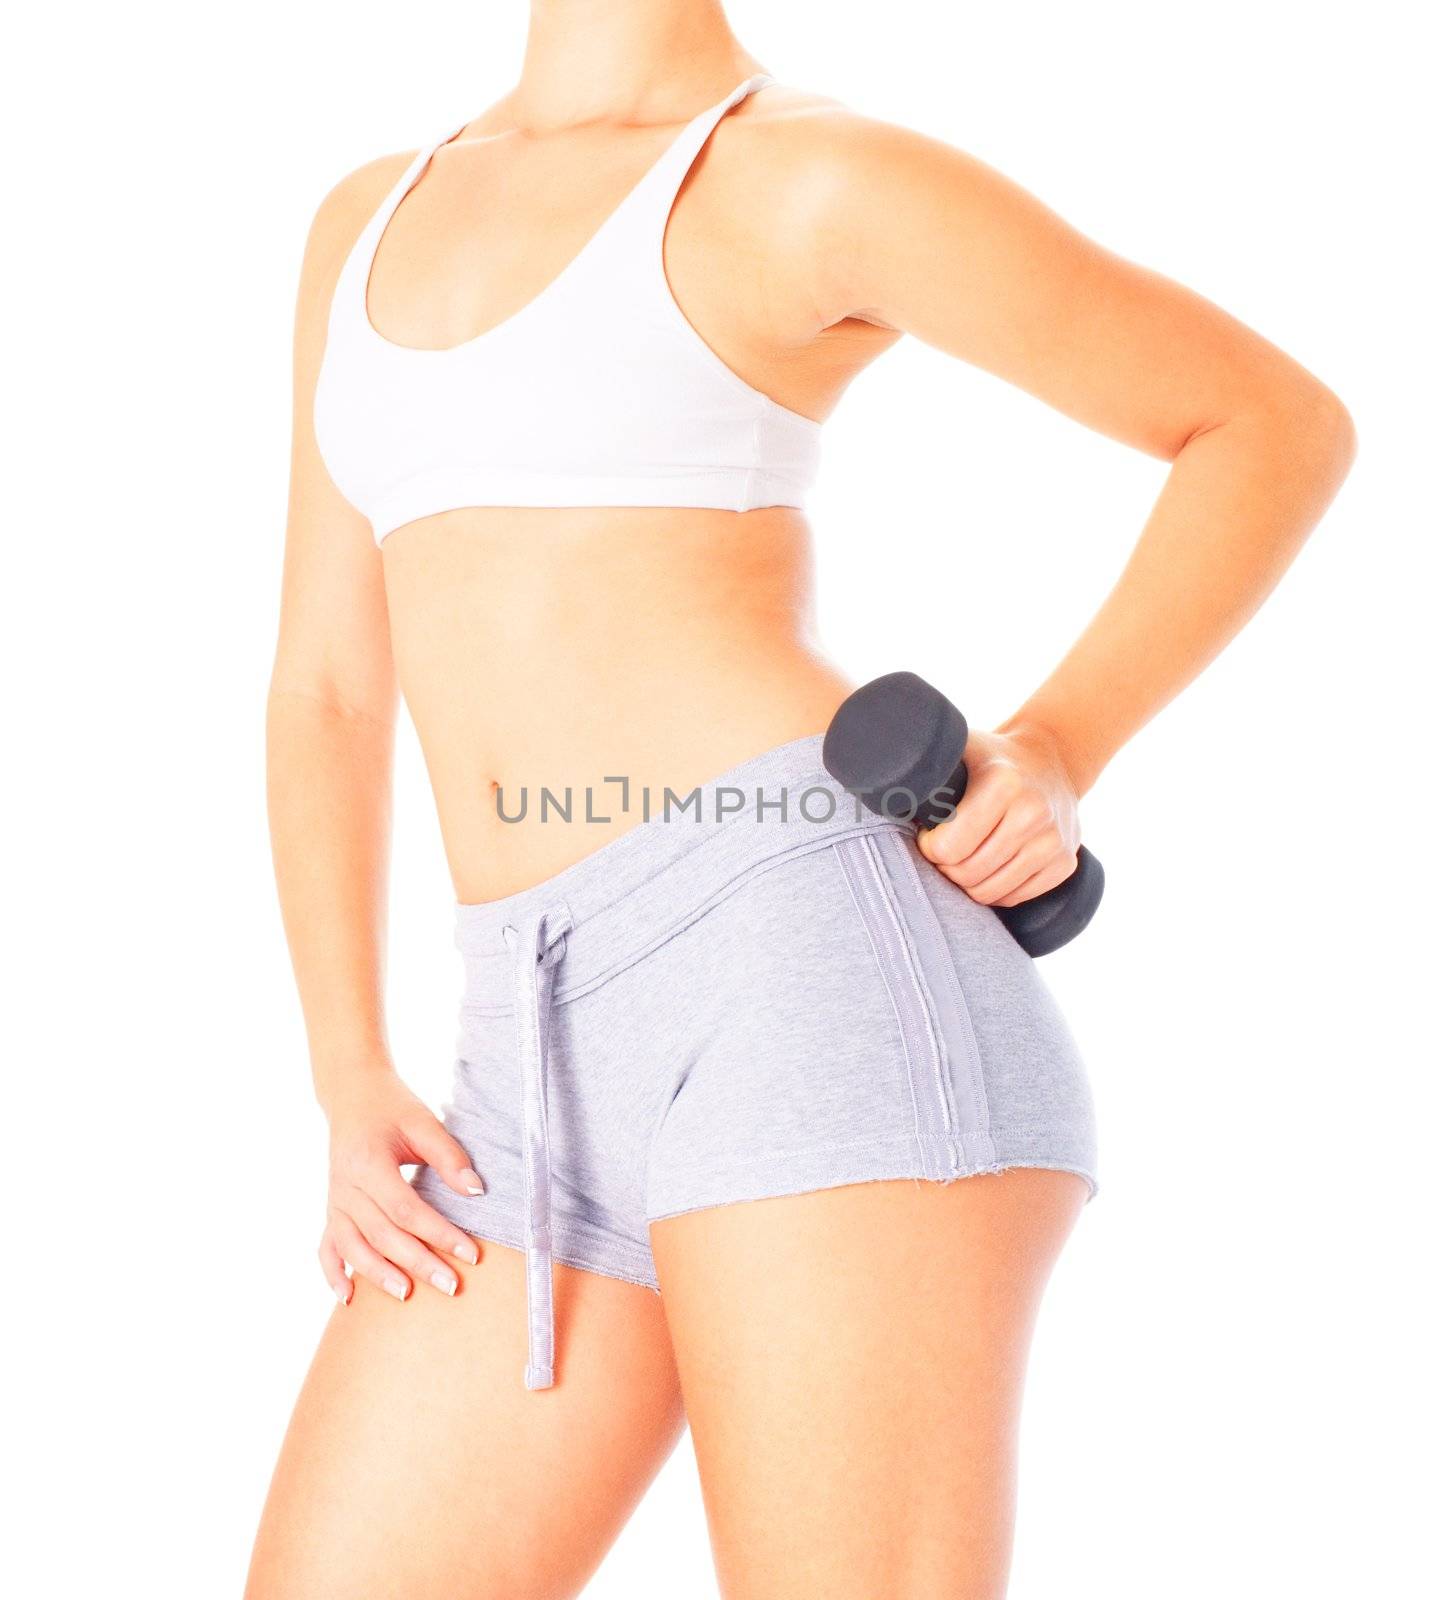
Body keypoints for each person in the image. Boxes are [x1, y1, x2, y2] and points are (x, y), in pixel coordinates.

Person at [246, 5, 1355, 1595]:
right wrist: (345, 1065)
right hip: (523, 1052)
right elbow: (325, 687)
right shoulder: (369, 214)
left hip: (802, 972)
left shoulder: (805, 179)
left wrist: (1054, 745)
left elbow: (1268, 423)